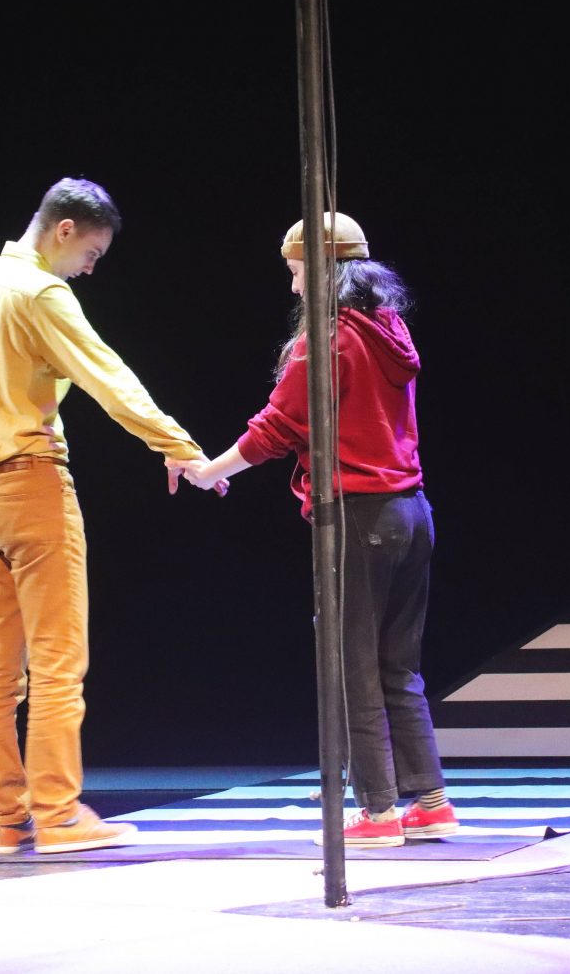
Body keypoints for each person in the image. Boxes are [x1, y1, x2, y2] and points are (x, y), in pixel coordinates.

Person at [0, 176, 218, 855]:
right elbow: (108, 377)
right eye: (91, 253)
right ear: (64, 230)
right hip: (29, 488)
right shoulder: (39, 292)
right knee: (58, 661)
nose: (91, 269)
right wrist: (180, 448)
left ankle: (9, 821)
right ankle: (59, 816)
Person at [184, 212, 456, 847]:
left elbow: (278, 427)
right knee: (399, 667)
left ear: (326, 268)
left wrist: (208, 472)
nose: (294, 286)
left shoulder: (330, 341)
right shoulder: (389, 329)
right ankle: (431, 802)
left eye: (297, 271)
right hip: (412, 512)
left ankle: (379, 813)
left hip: (360, 516)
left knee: (351, 667)